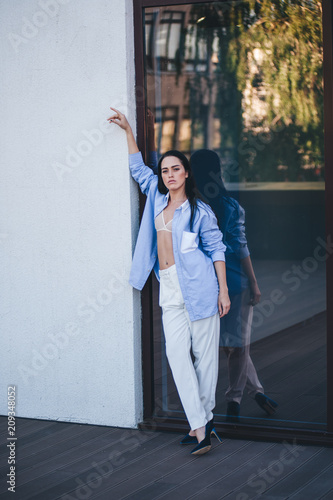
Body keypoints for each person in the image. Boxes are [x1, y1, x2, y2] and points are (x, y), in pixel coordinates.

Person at [108, 108, 230, 455]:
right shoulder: (156, 198)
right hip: (169, 285)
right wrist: (129, 130)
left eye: (176, 168)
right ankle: (203, 422)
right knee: (177, 354)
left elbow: (217, 249)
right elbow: (137, 168)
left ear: (186, 173)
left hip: (203, 287)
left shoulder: (200, 210)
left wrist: (223, 290)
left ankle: (200, 427)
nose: (169, 174)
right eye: (165, 170)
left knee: (205, 360)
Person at [190, 149, 278, 422]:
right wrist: (254, 283)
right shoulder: (229, 206)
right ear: (218, 172)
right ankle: (238, 398)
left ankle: (248, 394)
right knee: (238, 344)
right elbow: (241, 247)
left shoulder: (190, 207)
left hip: (204, 283)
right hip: (235, 282)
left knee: (228, 345)